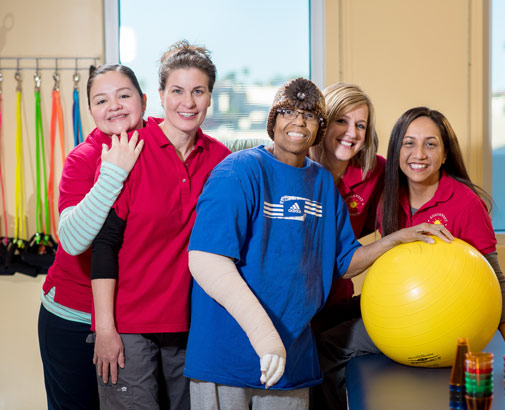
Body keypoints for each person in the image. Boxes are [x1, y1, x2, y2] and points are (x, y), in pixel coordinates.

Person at [185, 79, 452, 410]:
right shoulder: (239, 171)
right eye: (287, 112)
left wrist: (396, 239)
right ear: (272, 121)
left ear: (319, 127)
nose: (298, 122)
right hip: (228, 355)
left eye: (309, 116)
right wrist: (264, 338)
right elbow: (207, 261)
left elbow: (344, 261)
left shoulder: (322, 183)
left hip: (294, 356)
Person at [316, 106, 505, 410]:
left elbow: (495, 277)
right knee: (315, 325)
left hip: (436, 320)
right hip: (396, 304)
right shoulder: (389, 196)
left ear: (446, 153)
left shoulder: (465, 203)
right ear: (396, 151)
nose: (419, 154)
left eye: (431, 144)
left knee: (330, 345)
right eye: (409, 143)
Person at [90, 41, 230, 410]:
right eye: (177, 91)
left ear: (210, 97)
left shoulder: (222, 161)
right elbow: (104, 246)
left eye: (198, 91)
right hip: (129, 325)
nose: (188, 103)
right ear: (160, 96)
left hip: (192, 326)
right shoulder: (130, 149)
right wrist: (105, 329)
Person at [38, 64, 146, 410]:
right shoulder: (83, 159)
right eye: (101, 100)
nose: (113, 106)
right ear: (91, 112)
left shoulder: (161, 146)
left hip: (133, 318)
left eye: (123, 95)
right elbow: (71, 239)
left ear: (144, 100)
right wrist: (113, 173)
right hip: (73, 316)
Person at [309, 83, 385, 333]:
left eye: (360, 125)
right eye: (341, 120)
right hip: (292, 300)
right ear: (323, 122)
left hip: (337, 300)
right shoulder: (296, 164)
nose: (351, 133)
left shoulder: (376, 171)